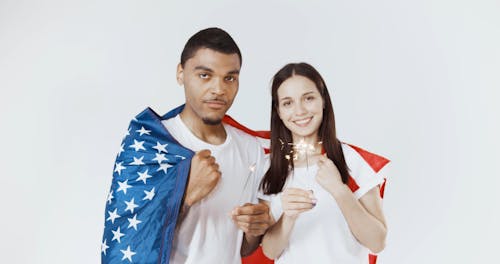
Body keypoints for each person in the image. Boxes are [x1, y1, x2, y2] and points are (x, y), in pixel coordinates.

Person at [101, 27, 271, 264]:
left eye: (230, 78)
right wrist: (186, 195)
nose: (219, 89)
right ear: (181, 73)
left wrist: (255, 229)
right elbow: (132, 238)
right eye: (205, 75)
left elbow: (241, 248)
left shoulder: (251, 149)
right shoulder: (152, 144)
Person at [259, 63, 390, 264]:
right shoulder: (269, 168)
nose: (300, 111)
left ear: (323, 101)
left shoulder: (352, 160)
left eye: (308, 98)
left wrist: (339, 190)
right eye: (288, 103)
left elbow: (377, 242)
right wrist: (288, 218)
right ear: (278, 111)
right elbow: (269, 251)